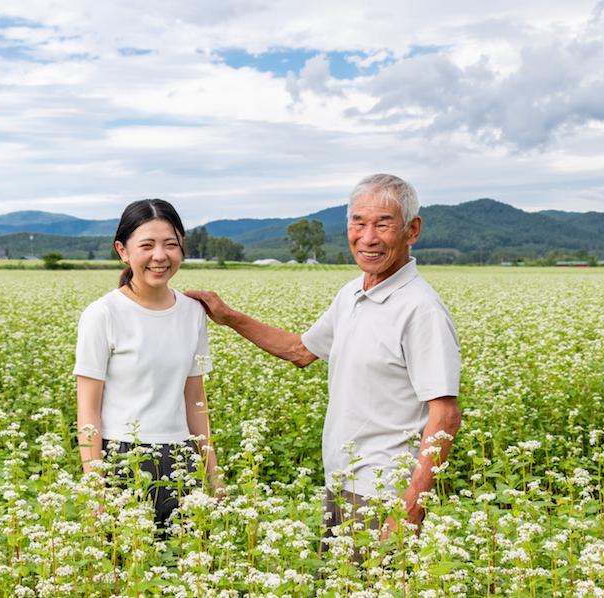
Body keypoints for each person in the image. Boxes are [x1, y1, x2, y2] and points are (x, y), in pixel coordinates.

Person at [186, 174, 461, 540]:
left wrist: (410, 508)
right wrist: (230, 317)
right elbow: (301, 351)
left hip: (385, 492)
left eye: (383, 223)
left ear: (412, 230)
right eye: (358, 223)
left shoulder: (421, 309)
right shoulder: (351, 293)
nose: (368, 237)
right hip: (342, 482)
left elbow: (445, 416)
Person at [74, 199, 223, 527]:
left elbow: (195, 401)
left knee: (188, 568)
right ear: (123, 250)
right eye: (147, 245)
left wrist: (214, 476)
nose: (160, 256)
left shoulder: (192, 312)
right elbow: (88, 411)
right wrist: (95, 488)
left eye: (171, 244)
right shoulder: (103, 314)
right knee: (126, 570)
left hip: (181, 457)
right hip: (121, 459)